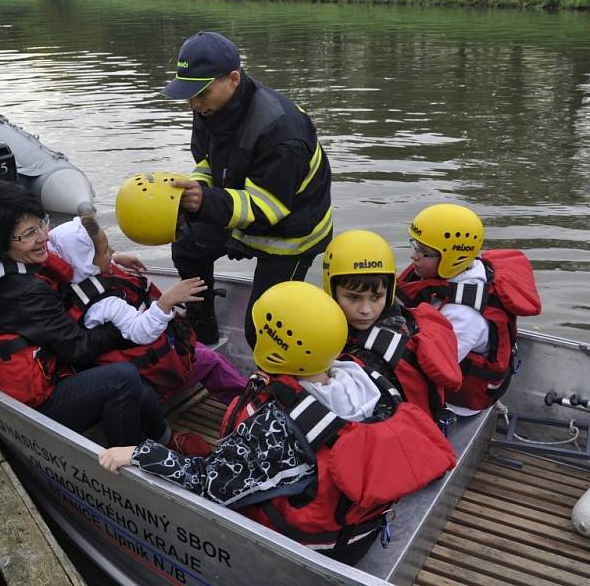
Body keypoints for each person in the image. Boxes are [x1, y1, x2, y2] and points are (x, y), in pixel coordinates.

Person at [99, 281, 455, 565]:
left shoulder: (273, 424)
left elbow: (210, 487)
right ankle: (229, 457)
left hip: (311, 550)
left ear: (272, 349)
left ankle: (217, 457)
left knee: (209, 478)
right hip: (361, 531)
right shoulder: (372, 378)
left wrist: (141, 453)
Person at [0, 181, 209, 454]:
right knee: (122, 376)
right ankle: (132, 461)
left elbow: (63, 260)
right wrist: (123, 331)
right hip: (33, 401)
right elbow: (78, 349)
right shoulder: (22, 292)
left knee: (128, 373)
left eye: (41, 224)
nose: (43, 237)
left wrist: (108, 260)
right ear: (2, 241)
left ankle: (164, 437)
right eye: (29, 234)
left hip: (34, 359)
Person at [161, 31, 334, 348]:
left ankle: (276, 386)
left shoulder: (282, 131)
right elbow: (207, 162)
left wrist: (202, 200)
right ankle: (203, 328)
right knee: (188, 245)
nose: (193, 103)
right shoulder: (208, 109)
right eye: (188, 94)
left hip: (291, 234)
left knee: (265, 328)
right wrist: (193, 192)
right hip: (240, 213)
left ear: (233, 79)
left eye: (201, 92)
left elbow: (268, 209)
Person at [47, 215, 247, 403]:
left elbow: (92, 264)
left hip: (136, 354)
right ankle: (251, 405)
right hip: (150, 366)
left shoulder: (76, 283)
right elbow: (140, 332)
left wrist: (114, 259)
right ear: (87, 261)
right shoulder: (105, 303)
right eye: (107, 250)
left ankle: (247, 395)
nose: (111, 253)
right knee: (212, 361)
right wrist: (166, 302)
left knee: (206, 354)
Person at [397, 203, 542, 414]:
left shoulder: (464, 315)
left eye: (423, 252)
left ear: (452, 258)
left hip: (458, 401)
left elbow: (433, 370)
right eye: (415, 246)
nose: (414, 256)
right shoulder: (453, 273)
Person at [322, 230, 463, 428]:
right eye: (353, 298)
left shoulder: (370, 357)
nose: (366, 310)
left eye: (376, 297)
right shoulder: (404, 318)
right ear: (331, 289)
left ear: (388, 293)